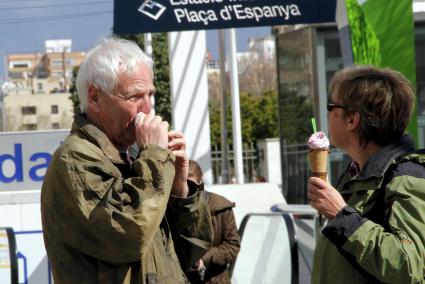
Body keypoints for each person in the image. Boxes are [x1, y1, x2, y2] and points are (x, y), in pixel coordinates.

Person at [40, 37, 212, 284]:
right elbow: (129, 237)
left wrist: (179, 188)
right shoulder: (75, 159)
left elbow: (193, 252)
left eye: (150, 94)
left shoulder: (132, 157)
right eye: (134, 97)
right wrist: (154, 156)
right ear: (95, 97)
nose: (147, 109)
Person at [308, 65, 425, 283]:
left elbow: (408, 265)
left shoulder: (406, 176)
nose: (326, 113)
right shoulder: (357, 175)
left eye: (331, 105)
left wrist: (341, 216)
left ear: (352, 119)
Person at [169, 160, 240, 284]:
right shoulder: (169, 207)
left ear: (200, 182)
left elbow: (233, 245)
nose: (187, 189)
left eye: (191, 184)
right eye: (182, 183)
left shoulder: (220, 206)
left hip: (215, 279)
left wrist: (205, 258)